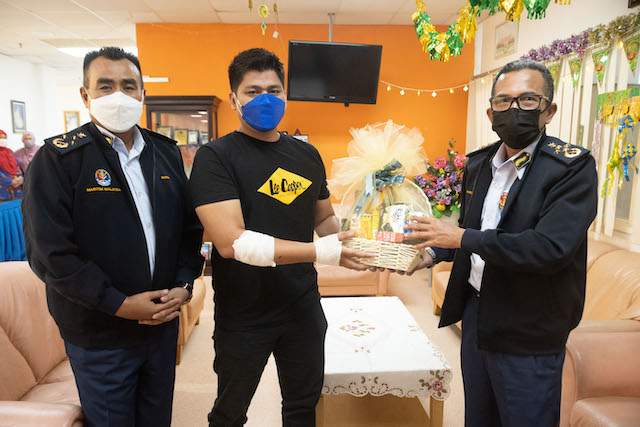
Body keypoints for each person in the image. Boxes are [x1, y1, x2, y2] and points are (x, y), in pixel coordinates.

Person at [405, 59, 598, 427]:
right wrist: (430, 253)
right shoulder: (479, 164)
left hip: (530, 325)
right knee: (479, 417)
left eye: (528, 100)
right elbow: (471, 230)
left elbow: (549, 248)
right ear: (490, 112)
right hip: (477, 314)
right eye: (504, 101)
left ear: (549, 111)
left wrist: (460, 237)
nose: (514, 109)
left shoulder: (570, 169)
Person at [21, 47, 204, 427]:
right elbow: (50, 253)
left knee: (157, 419)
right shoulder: (58, 159)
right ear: (85, 95)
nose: (119, 95)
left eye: (128, 86)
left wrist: (184, 285)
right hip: (99, 332)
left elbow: (188, 232)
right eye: (105, 86)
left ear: (142, 94)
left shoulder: (165, 154)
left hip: (161, 324)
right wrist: (118, 303)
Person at [189, 48, 371, 427]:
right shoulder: (215, 157)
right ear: (234, 99)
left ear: (285, 94)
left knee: (303, 408)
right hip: (244, 313)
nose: (265, 99)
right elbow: (233, 243)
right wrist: (321, 252)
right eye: (253, 91)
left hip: (302, 307)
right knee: (229, 414)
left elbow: (324, 219)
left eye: (273, 90)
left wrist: (362, 237)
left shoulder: (307, 155)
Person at [0, 129, 23, 202]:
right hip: (3, 189)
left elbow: (17, 166)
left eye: (4, 138)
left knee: (18, 206)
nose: (2, 140)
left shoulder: (9, 151)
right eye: (0, 138)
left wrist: (20, 178)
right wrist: (10, 182)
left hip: (16, 187)